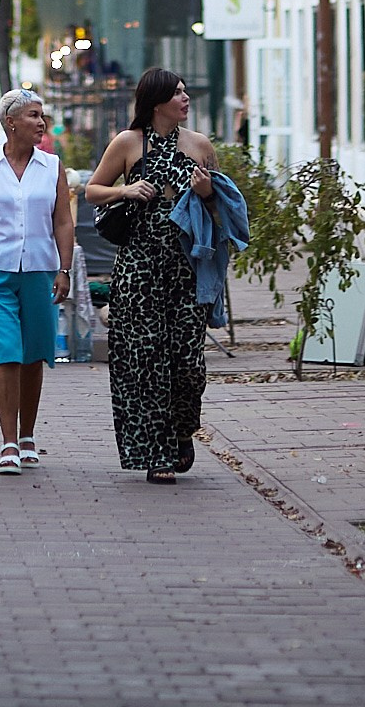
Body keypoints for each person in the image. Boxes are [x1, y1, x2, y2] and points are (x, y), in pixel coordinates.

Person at [85, 67, 217, 483]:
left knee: (188, 364)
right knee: (144, 362)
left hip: (186, 270)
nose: (185, 98)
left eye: (185, 92)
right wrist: (125, 190)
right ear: (156, 102)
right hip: (140, 269)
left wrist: (206, 193)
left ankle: (181, 433)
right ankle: (156, 453)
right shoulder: (128, 142)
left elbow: (220, 208)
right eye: (177, 93)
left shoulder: (199, 146)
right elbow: (91, 190)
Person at [0, 88, 74, 475]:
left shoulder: (52, 167)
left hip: (39, 271)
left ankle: (28, 436)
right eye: (33, 115)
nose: (41, 123)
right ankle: (8, 443)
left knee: (34, 354)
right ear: (11, 122)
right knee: (7, 350)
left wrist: (64, 269)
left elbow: (62, 221)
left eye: (42, 116)